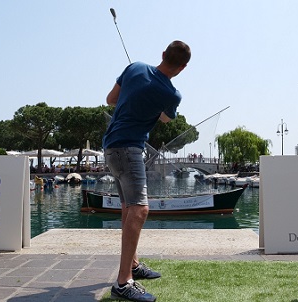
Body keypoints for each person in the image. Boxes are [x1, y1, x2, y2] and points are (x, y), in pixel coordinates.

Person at [103, 40, 191, 302]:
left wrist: (135, 93)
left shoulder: (135, 67)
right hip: (129, 149)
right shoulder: (172, 95)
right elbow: (166, 118)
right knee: (140, 209)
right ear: (183, 68)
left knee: (129, 208)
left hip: (110, 147)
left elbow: (111, 100)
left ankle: (133, 265)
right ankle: (123, 282)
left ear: (163, 54)